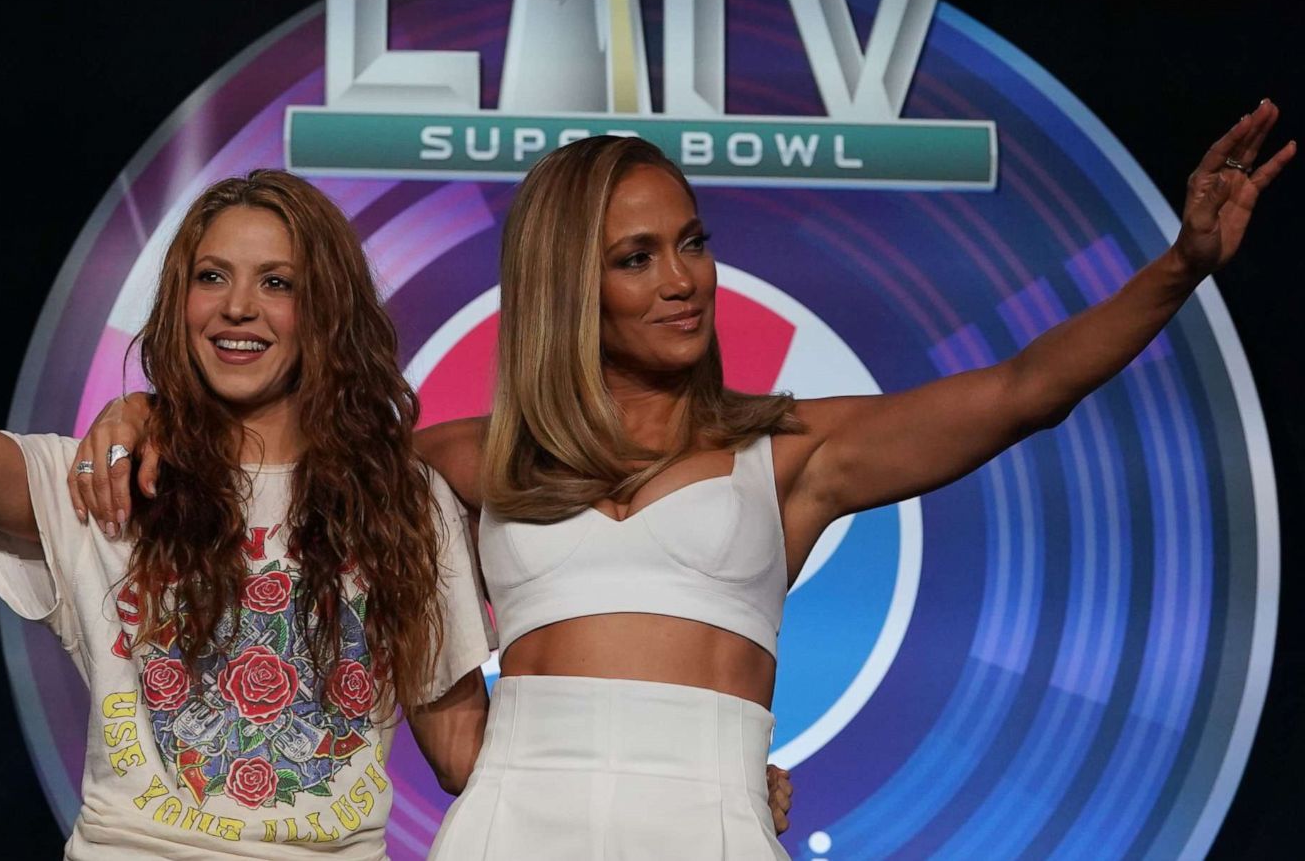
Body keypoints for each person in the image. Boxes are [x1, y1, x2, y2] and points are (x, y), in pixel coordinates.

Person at [79, 100, 1291, 858]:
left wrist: (1178, 268)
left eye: (694, 242)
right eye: (637, 256)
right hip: (512, 818)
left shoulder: (791, 453)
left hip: (705, 818)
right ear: (571, 283)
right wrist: (144, 408)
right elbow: (282, 446)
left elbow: (1023, 390)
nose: (683, 279)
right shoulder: (473, 460)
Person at [0, 130, 498, 860]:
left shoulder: (402, 504)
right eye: (211, 276)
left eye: (277, 283)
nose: (237, 307)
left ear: (326, 312)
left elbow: (463, 753)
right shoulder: (110, 482)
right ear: (179, 301)